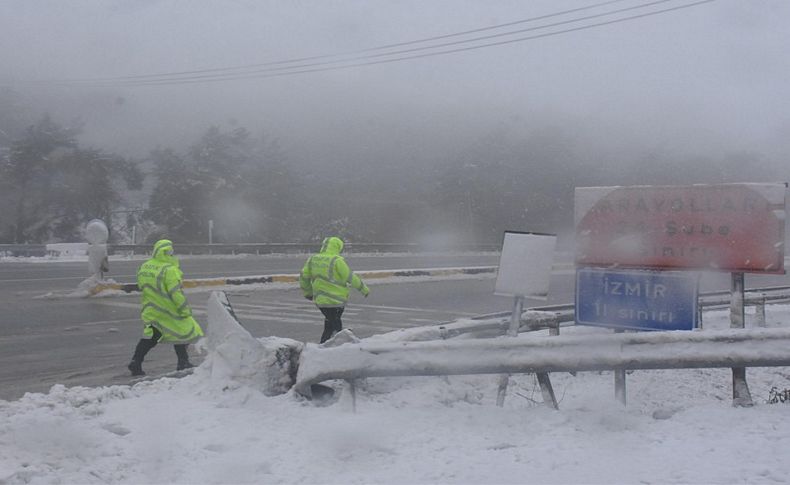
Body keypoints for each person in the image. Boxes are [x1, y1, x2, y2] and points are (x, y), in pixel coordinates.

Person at [127, 239, 204, 376]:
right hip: (169, 310)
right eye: (171, 252)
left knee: (151, 336)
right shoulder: (169, 270)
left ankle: (136, 361)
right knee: (183, 332)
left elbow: (141, 286)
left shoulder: (144, 266)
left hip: (151, 309)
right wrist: (184, 309)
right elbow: (176, 293)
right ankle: (183, 362)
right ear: (167, 252)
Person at [300, 236, 370, 343]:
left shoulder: (312, 259)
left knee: (330, 324)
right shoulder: (337, 261)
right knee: (336, 326)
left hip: (321, 301)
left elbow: (304, 277)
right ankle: (338, 347)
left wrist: (308, 293)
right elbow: (350, 277)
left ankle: (324, 346)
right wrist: (363, 289)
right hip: (337, 301)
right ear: (337, 247)